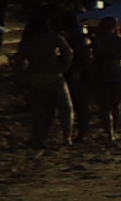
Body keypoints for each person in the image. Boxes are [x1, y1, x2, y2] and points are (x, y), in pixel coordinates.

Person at [13, 18, 77, 149]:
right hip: (53, 75)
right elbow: (68, 51)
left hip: (34, 75)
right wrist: (64, 66)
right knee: (65, 108)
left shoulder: (29, 41)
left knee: (39, 111)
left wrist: (21, 77)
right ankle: (67, 137)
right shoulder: (53, 37)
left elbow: (20, 60)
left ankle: (40, 138)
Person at [82, 19, 121, 142]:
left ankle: (113, 130)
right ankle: (109, 132)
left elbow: (120, 54)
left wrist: (100, 47)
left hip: (115, 74)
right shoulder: (96, 40)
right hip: (100, 74)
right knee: (104, 107)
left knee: (115, 106)